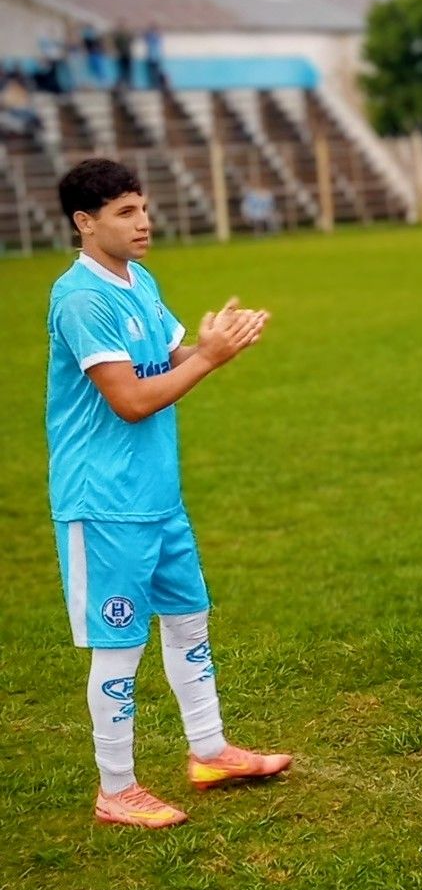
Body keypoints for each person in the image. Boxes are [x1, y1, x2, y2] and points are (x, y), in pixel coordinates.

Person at [46, 158, 290, 829]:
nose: (143, 221)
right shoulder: (82, 298)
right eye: (125, 211)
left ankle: (209, 750)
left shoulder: (139, 281)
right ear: (84, 222)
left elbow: (172, 360)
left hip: (157, 495)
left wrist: (213, 348)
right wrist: (208, 360)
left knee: (189, 621)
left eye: (143, 207)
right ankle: (115, 787)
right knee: (118, 646)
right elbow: (128, 399)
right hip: (103, 503)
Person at [111, 22, 135, 91]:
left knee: (127, 71)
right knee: (123, 71)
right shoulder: (119, 36)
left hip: (126, 55)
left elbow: (131, 40)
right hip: (123, 55)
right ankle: (124, 86)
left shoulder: (126, 35)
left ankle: (128, 85)